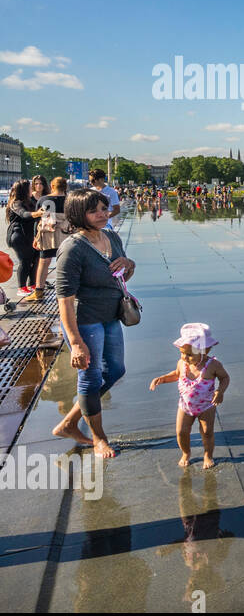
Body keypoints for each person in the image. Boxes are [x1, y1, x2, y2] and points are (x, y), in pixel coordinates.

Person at [50, 189, 137, 459]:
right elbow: (64, 299)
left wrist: (129, 263)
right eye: (94, 210)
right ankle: (99, 438)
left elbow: (124, 274)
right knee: (90, 377)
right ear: (78, 214)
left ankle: (69, 422)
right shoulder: (72, 249)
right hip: (85, 320)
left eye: (104, 207)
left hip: (111, 314)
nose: (102, 214)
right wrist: (75, 343)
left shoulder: (111, 236)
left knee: (116, 370)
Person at [150, 324, 230, 469]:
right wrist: (162, 378)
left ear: (204, 351)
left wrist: (220, 391)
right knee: (181, 432)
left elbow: (225, 378)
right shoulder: (182, 363)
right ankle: (186, 453)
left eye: (189, 354)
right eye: (182, 353)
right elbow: (175, 374)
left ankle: (208, 455)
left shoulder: (213, 365)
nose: (185, 357)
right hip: (185, 406)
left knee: (207, 432)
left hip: (206, 406)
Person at [32, 176, 72, 301]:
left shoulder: (44, 199)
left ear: (52, 186)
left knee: (44, 262)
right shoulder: (70, 200)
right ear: (65, 187)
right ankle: (69, 290)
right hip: (66, 234)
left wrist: (35, 237)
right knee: (68, 262)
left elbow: (38, 219)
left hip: (48, 234)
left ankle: (39, 291)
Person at [6, 180, 41, 296]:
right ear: (24, 190)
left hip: (29, 236)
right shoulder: (16, 203)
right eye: (30, 188)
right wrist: (37, 213)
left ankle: (32, 284)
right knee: (25, 261)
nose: (32, 189)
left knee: (35, 259)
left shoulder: (29, 201)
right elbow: (24, 214)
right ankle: (21, 287)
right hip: (18, 237)